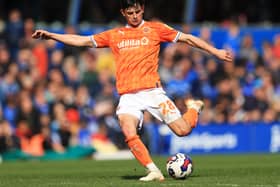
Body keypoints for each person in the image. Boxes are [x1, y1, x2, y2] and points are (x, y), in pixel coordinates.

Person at [32, 0, 233, 181]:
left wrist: (214, 51)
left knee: (183, 130)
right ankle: (153, 170)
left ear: (142, 9)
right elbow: (83, 40)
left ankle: (194, 107)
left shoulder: (156, 29)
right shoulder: (115, 35)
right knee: (128, 130)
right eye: (130, 13)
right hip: (128, 95)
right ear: (123, 13)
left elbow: (188, 38)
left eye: (138, 11)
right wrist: (52, 36)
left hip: (153, 92)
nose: (135, 15)